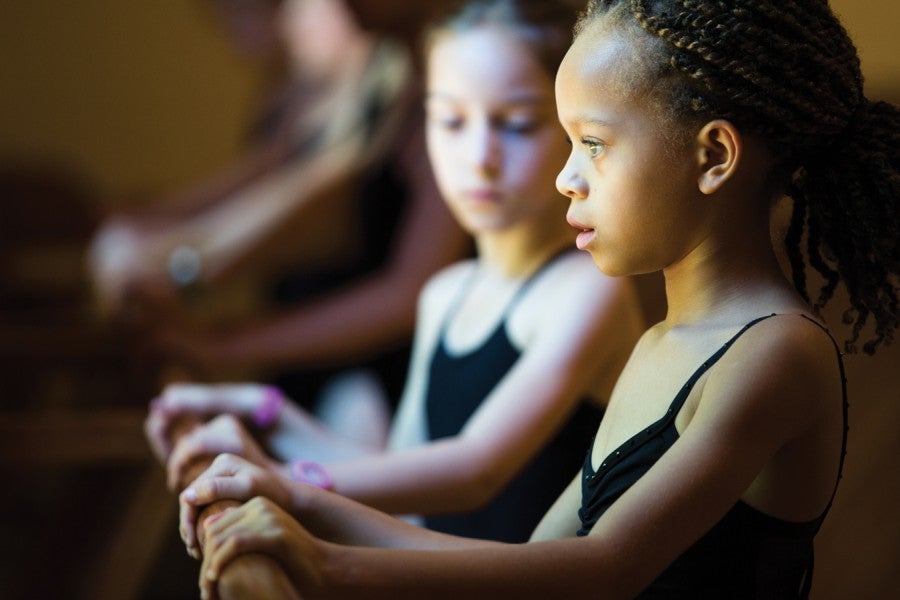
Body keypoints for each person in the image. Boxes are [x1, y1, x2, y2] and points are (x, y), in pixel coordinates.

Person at [175, 0, 899, 598]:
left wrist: (324, 558)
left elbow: (607, 567)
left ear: (712, 156)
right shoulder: (659, 345)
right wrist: (296, 501)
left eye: (592, 143)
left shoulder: (778, 353)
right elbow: (538, 556)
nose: (566, 178)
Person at [149, 0, 644, 547]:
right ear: (417, 140)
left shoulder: (585, 290)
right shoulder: (444, 295)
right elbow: (404, 475)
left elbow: (472, 470)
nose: (479, 155)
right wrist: (261, 415)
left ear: (575, 134)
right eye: (450, 121)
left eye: (517, 124)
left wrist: (288, 482)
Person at [88, 0, 470, 416]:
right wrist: (178, 260)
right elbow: (294, 194)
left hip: (380, 382)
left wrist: (203, 305)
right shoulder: (386, 77)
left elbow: (406, 291)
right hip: (329, 362)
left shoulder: (453, 80)